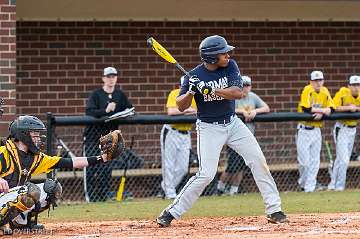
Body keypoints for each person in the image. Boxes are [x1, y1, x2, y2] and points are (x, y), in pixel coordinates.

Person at [156, 35, 287, 227]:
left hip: (233, 124)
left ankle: (274, 209)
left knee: (258, 160)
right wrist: (192, 91)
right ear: (211, 57)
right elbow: (181, 106)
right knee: (206, 174)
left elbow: (237, 92)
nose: (227, 54)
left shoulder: (231, 66)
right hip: (209, 128)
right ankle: (171, 212)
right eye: (223, 52)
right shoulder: (192, 76)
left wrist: (211, 89)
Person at [0, 115, 113, 235]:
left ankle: (20, 223)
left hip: (8, 199)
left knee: (52, 188)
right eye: (35, 134)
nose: (38, 138)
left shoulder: (35, 158)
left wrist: (103, 158)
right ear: (23, 134)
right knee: (30, 190)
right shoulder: (4, 152)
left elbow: (71, 162)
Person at [83, 66, 133, 202]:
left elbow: (129, 108)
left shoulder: (119, 95)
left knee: (106, 168)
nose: (111, 79)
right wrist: (105, 110)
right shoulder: (96, 94)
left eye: (114, 76)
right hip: (93, 138)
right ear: (104, 78)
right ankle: (91, 198)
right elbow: (89, 112)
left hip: (110, 138)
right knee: (92, 167)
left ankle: (103, 197)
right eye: (109, 76)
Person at [216, 75, 270, 196]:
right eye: (243, 85)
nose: (246, 88)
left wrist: (255, 111)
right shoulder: (234, 96)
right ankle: (219, 188)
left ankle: (233, 190)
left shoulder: (253, 97)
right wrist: (242, 112)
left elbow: (266, 108)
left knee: (241, 165)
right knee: (232, 165)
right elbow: (226, 109)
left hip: (248, 137)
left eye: (247, 85)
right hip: (233, 138)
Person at [296, 70, 335, 193]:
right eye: (315, 80)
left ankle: (309, 188)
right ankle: (303, 183)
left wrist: (322, 111)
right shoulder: (307, 89)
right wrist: (323, 111)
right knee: (304, 162)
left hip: (317, 130)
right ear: (311, 82)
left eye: (320, 80)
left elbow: (332, 107)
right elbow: (306, 108)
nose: (318, 83)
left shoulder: (325, 91)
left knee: (315, 161)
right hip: (304, 129)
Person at [160, 77, 197, 199]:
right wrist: (188, 110)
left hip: (186, 134)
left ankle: (165, 188)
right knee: (169, 164)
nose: (185, 88)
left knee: (183, 167)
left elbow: (198, 112)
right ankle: (170, 193)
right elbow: (171, 111)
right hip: (171, 132)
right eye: (184, 85)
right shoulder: (174, 93)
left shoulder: (196, 97)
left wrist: (188, 111)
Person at [328, 75, 360, 191]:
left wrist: (356, 108)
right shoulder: (343, 92)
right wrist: (348, 108)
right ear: (349, 86)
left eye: (358, 85)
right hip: (342, 128)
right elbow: (332, 106)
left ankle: (332, 184)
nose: (356, 88)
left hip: (352, 129)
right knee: (344, 160)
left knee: (340, 159)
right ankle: (339, 187)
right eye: (353, 85)